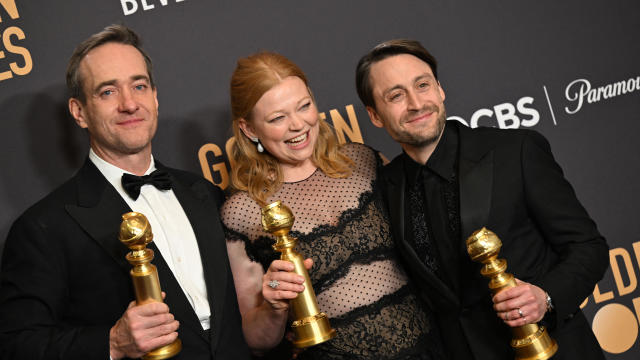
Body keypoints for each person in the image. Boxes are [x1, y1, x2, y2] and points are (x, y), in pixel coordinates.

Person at [0, 25, 249, 360]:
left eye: (139, 86)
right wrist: (112, 343)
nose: (129, 104)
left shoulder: (203, 192)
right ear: (79, 112)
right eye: (107, 92)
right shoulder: (42, 229)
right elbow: (18, 345)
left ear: (155, 97)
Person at [355, 39, 609, 359]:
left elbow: (589, 247)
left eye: (423, 85)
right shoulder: (386, 188)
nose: (416, 103)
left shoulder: (515, 150)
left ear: (440, 89)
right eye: (395, 95)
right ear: (375, 115)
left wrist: (545, 296)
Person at [221, 51, 445, 359]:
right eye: (277, 118)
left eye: (304, 106)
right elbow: (256, 338)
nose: (298, 125)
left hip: (430, 348)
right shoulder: (242, 211)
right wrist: (274, 306)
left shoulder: (363, 161)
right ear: (249, 129)